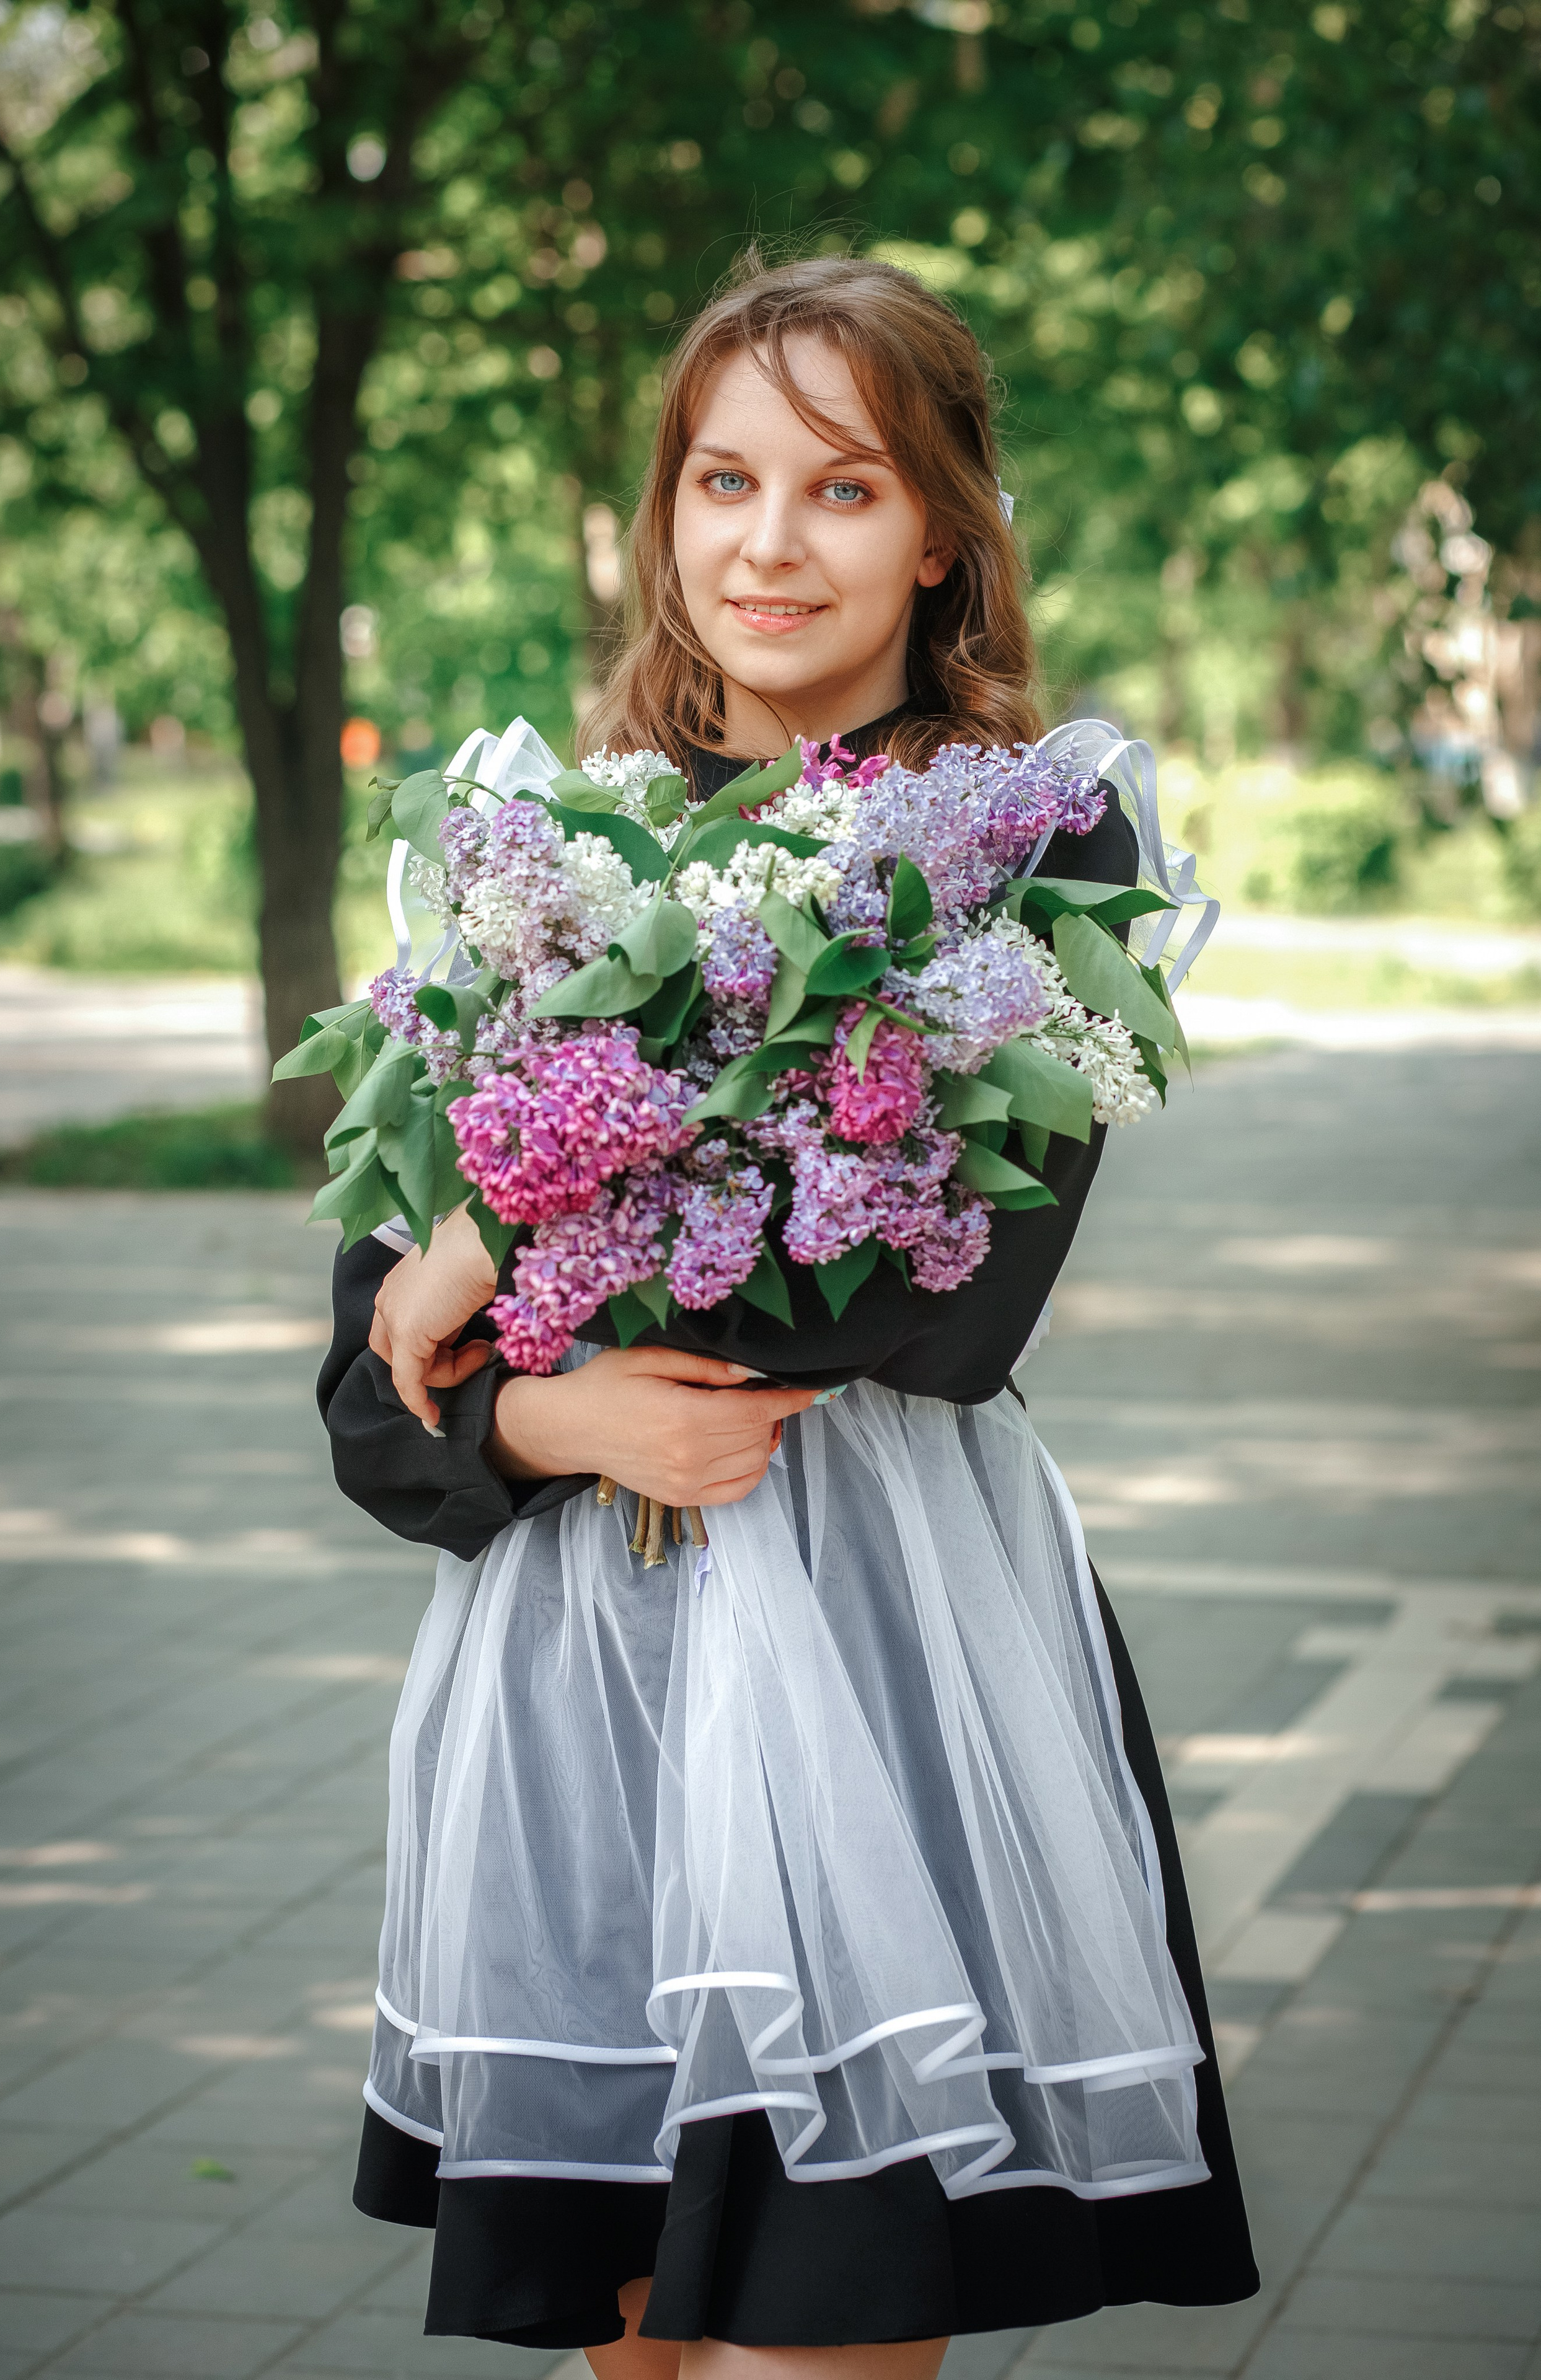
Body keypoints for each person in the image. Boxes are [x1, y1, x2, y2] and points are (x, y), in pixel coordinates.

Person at [320, 251, 1259, 2379]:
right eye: (721, 480)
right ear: (661, 511)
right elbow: (369, 1385)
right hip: (588, 1741)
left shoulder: (1039, 846)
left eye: (841, 490)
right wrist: (561, 1426)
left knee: (806, 2354)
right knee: (638, 2356)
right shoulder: (536, 847)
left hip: (889, 1702)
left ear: (942, 531)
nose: (766, 543)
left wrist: (511, 1224)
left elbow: (946, 1302)